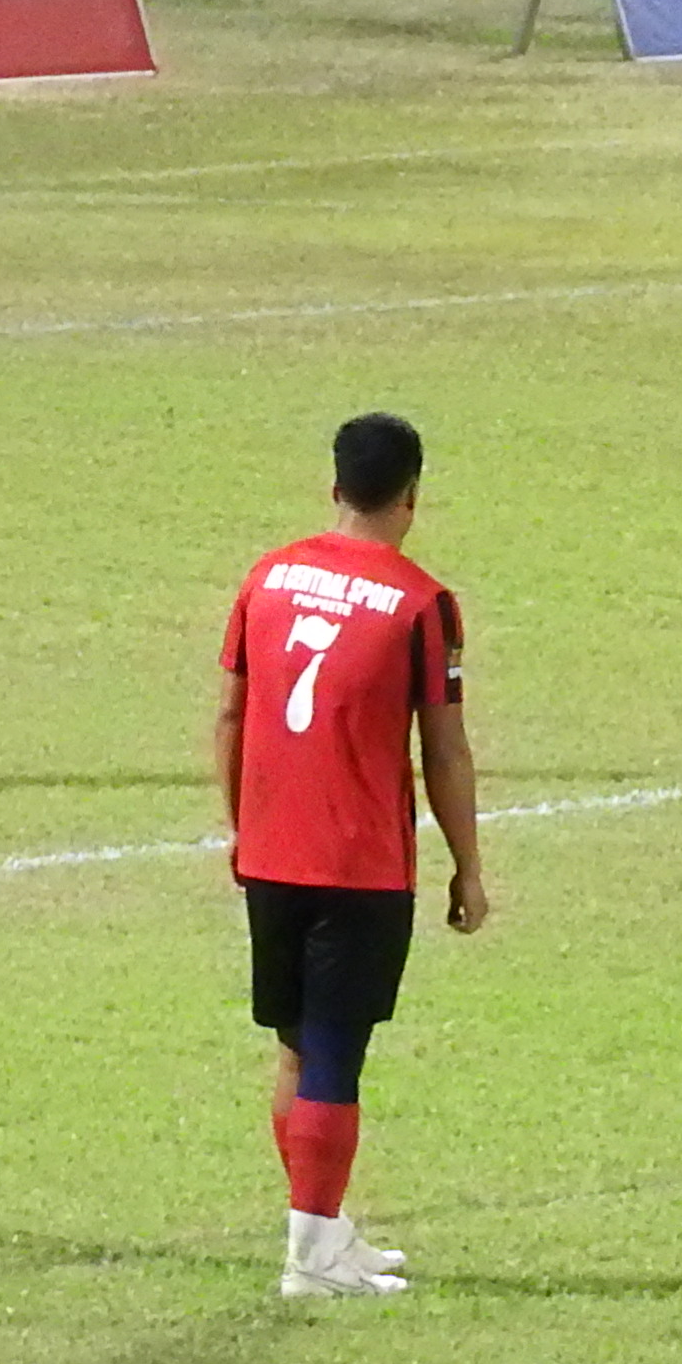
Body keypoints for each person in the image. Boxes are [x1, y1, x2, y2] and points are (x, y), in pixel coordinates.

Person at [219, 411, 490, 1299]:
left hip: (270, 850)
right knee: (335, 1052)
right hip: (358, 860)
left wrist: (241, 829)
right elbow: (443, 749)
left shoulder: (268, 578)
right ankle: (309, 1260)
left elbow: (232, 713)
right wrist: (469, 867)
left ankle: (325, 1228)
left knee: (297, 1049)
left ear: (334, 488)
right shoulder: (420, 603)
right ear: (413, 494)